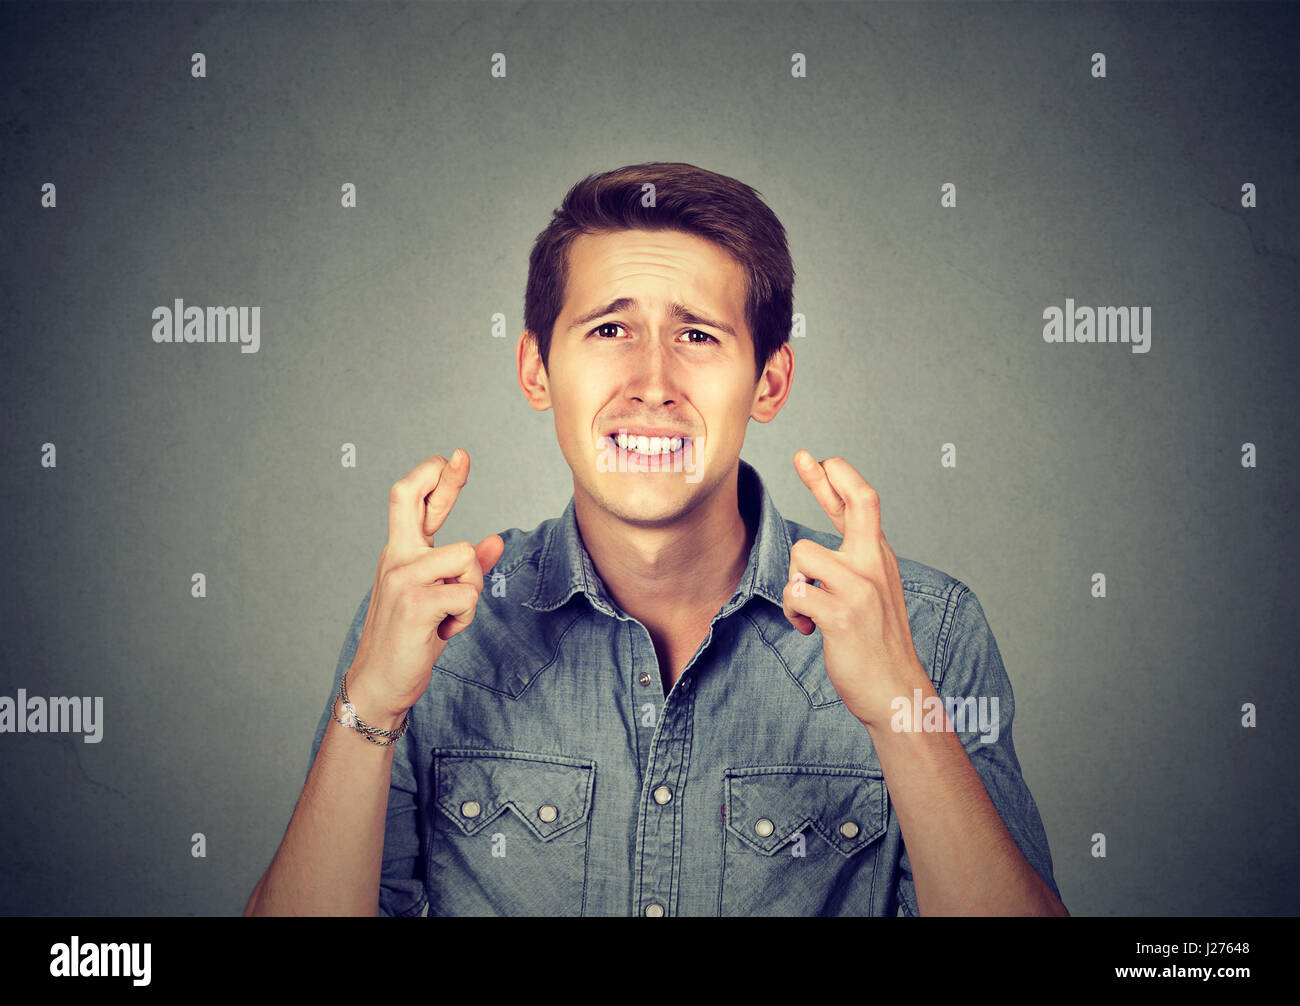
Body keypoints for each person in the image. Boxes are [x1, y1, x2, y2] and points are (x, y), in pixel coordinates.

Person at [244, 162, 1067, 917]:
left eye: (698, 336)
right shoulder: (430, 629)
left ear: (769, 381)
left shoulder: (926, 630)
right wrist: (373, 706)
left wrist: (901, 712)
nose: (652, 384)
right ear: (537, 369)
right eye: (609, 330)